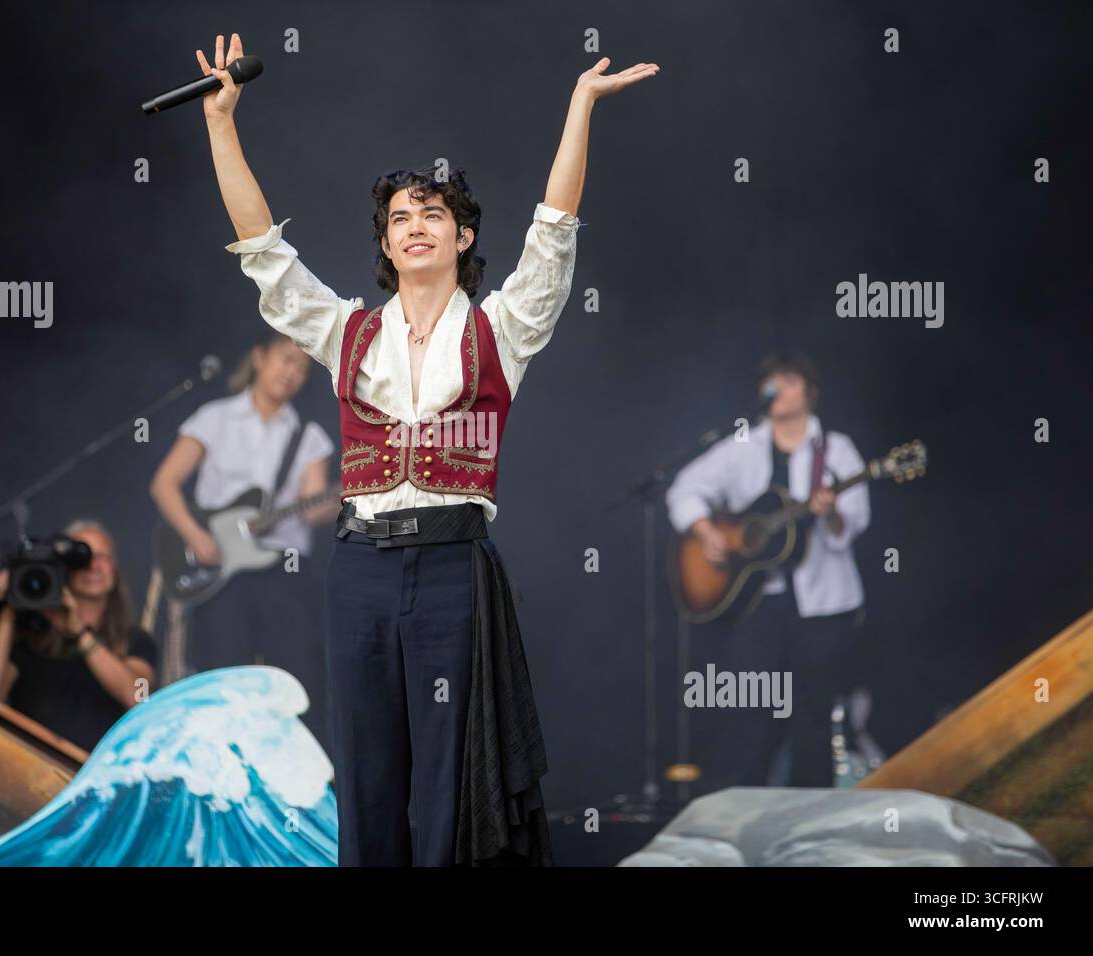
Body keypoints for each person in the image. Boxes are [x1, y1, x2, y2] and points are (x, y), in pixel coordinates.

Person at [197, 32, 658, 865]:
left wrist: (580, 105)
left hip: (453, 572)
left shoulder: (500, 331)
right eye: (400, 218)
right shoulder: (349, 333)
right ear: (384, 244)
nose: (414, 228)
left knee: (451, 787)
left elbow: (553, 232)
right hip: (361, 572)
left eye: (432, 215)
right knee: (368, 784)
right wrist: (222, 125)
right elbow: (264, 253)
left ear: (463, 237)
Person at [665, 352, 870, 791]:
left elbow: (853, 523)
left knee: (813, 717)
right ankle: (738, 825)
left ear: (810, 392)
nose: (776, 388)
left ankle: (807, 828)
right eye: (770, 380)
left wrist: (830, 514)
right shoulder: (743, 444)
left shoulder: (837, 450)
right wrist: (707, 533)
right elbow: (685, 488)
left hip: (823, 606)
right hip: (758, 605)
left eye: (788, 379)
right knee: (747, 714)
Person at [149, 331, 341, 749]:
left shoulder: (308, 437)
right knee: (221, 675)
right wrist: (194, 535)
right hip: (220, 568)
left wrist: (342, 497)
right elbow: (165, 483)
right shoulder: (213, 418)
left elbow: (311, 510)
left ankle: (299, 779)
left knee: (298, 677)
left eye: (302, 368)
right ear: (259, 357)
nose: (292, 373)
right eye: (285, 359)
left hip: (284, 573)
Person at [0, 519, 158, 751]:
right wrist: (10, 611)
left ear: (115, 569)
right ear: (64, 570)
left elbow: (139, 697)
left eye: (103, 557)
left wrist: (80, 634)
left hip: (96, 775)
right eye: (83, 558)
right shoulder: (31, 635)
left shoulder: (135, 641)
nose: (93, 567)